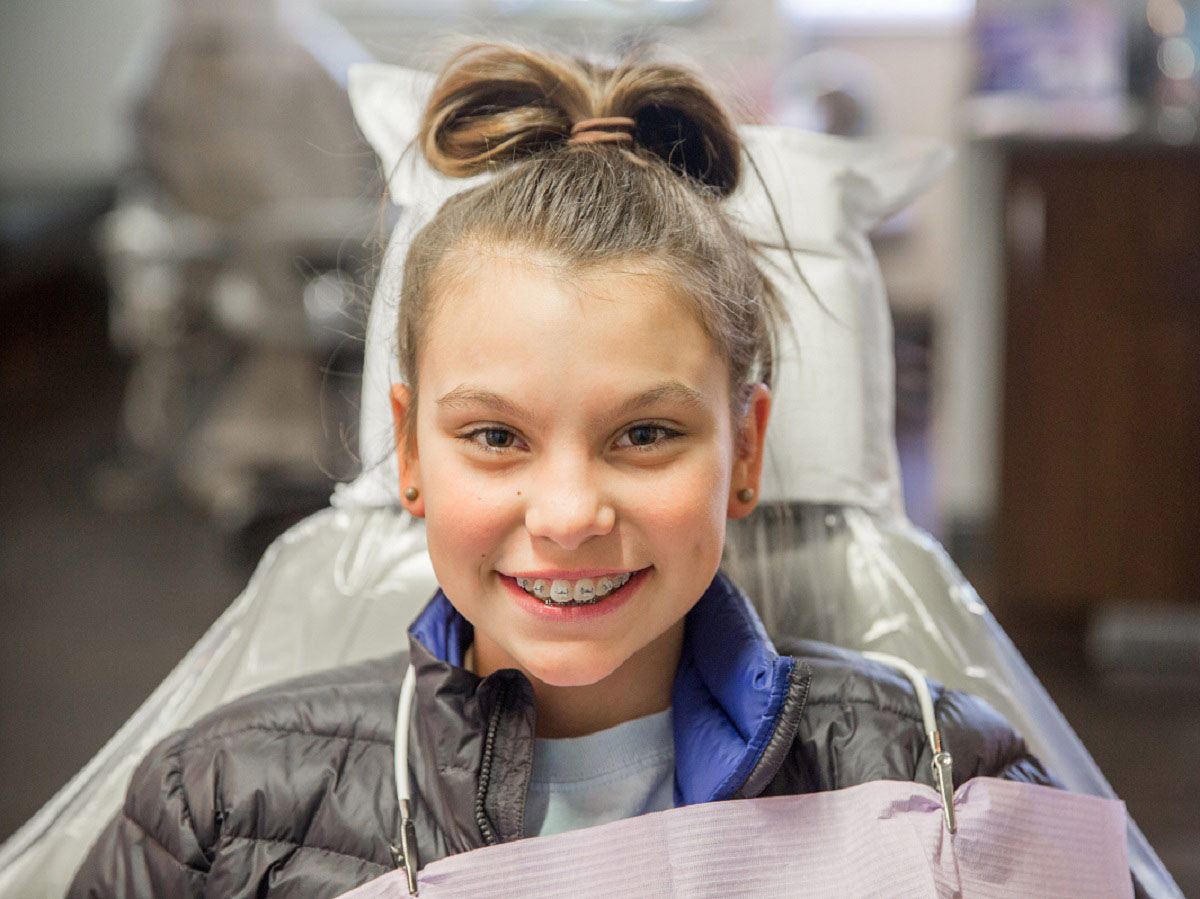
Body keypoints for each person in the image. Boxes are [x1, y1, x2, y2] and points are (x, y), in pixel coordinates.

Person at [67, 42, 1054, 898]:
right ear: (409, 455)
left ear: (745, 450)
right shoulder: (223, 814)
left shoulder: (940, 780)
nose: (571, 512)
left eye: (645, 434)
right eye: (496, 437)